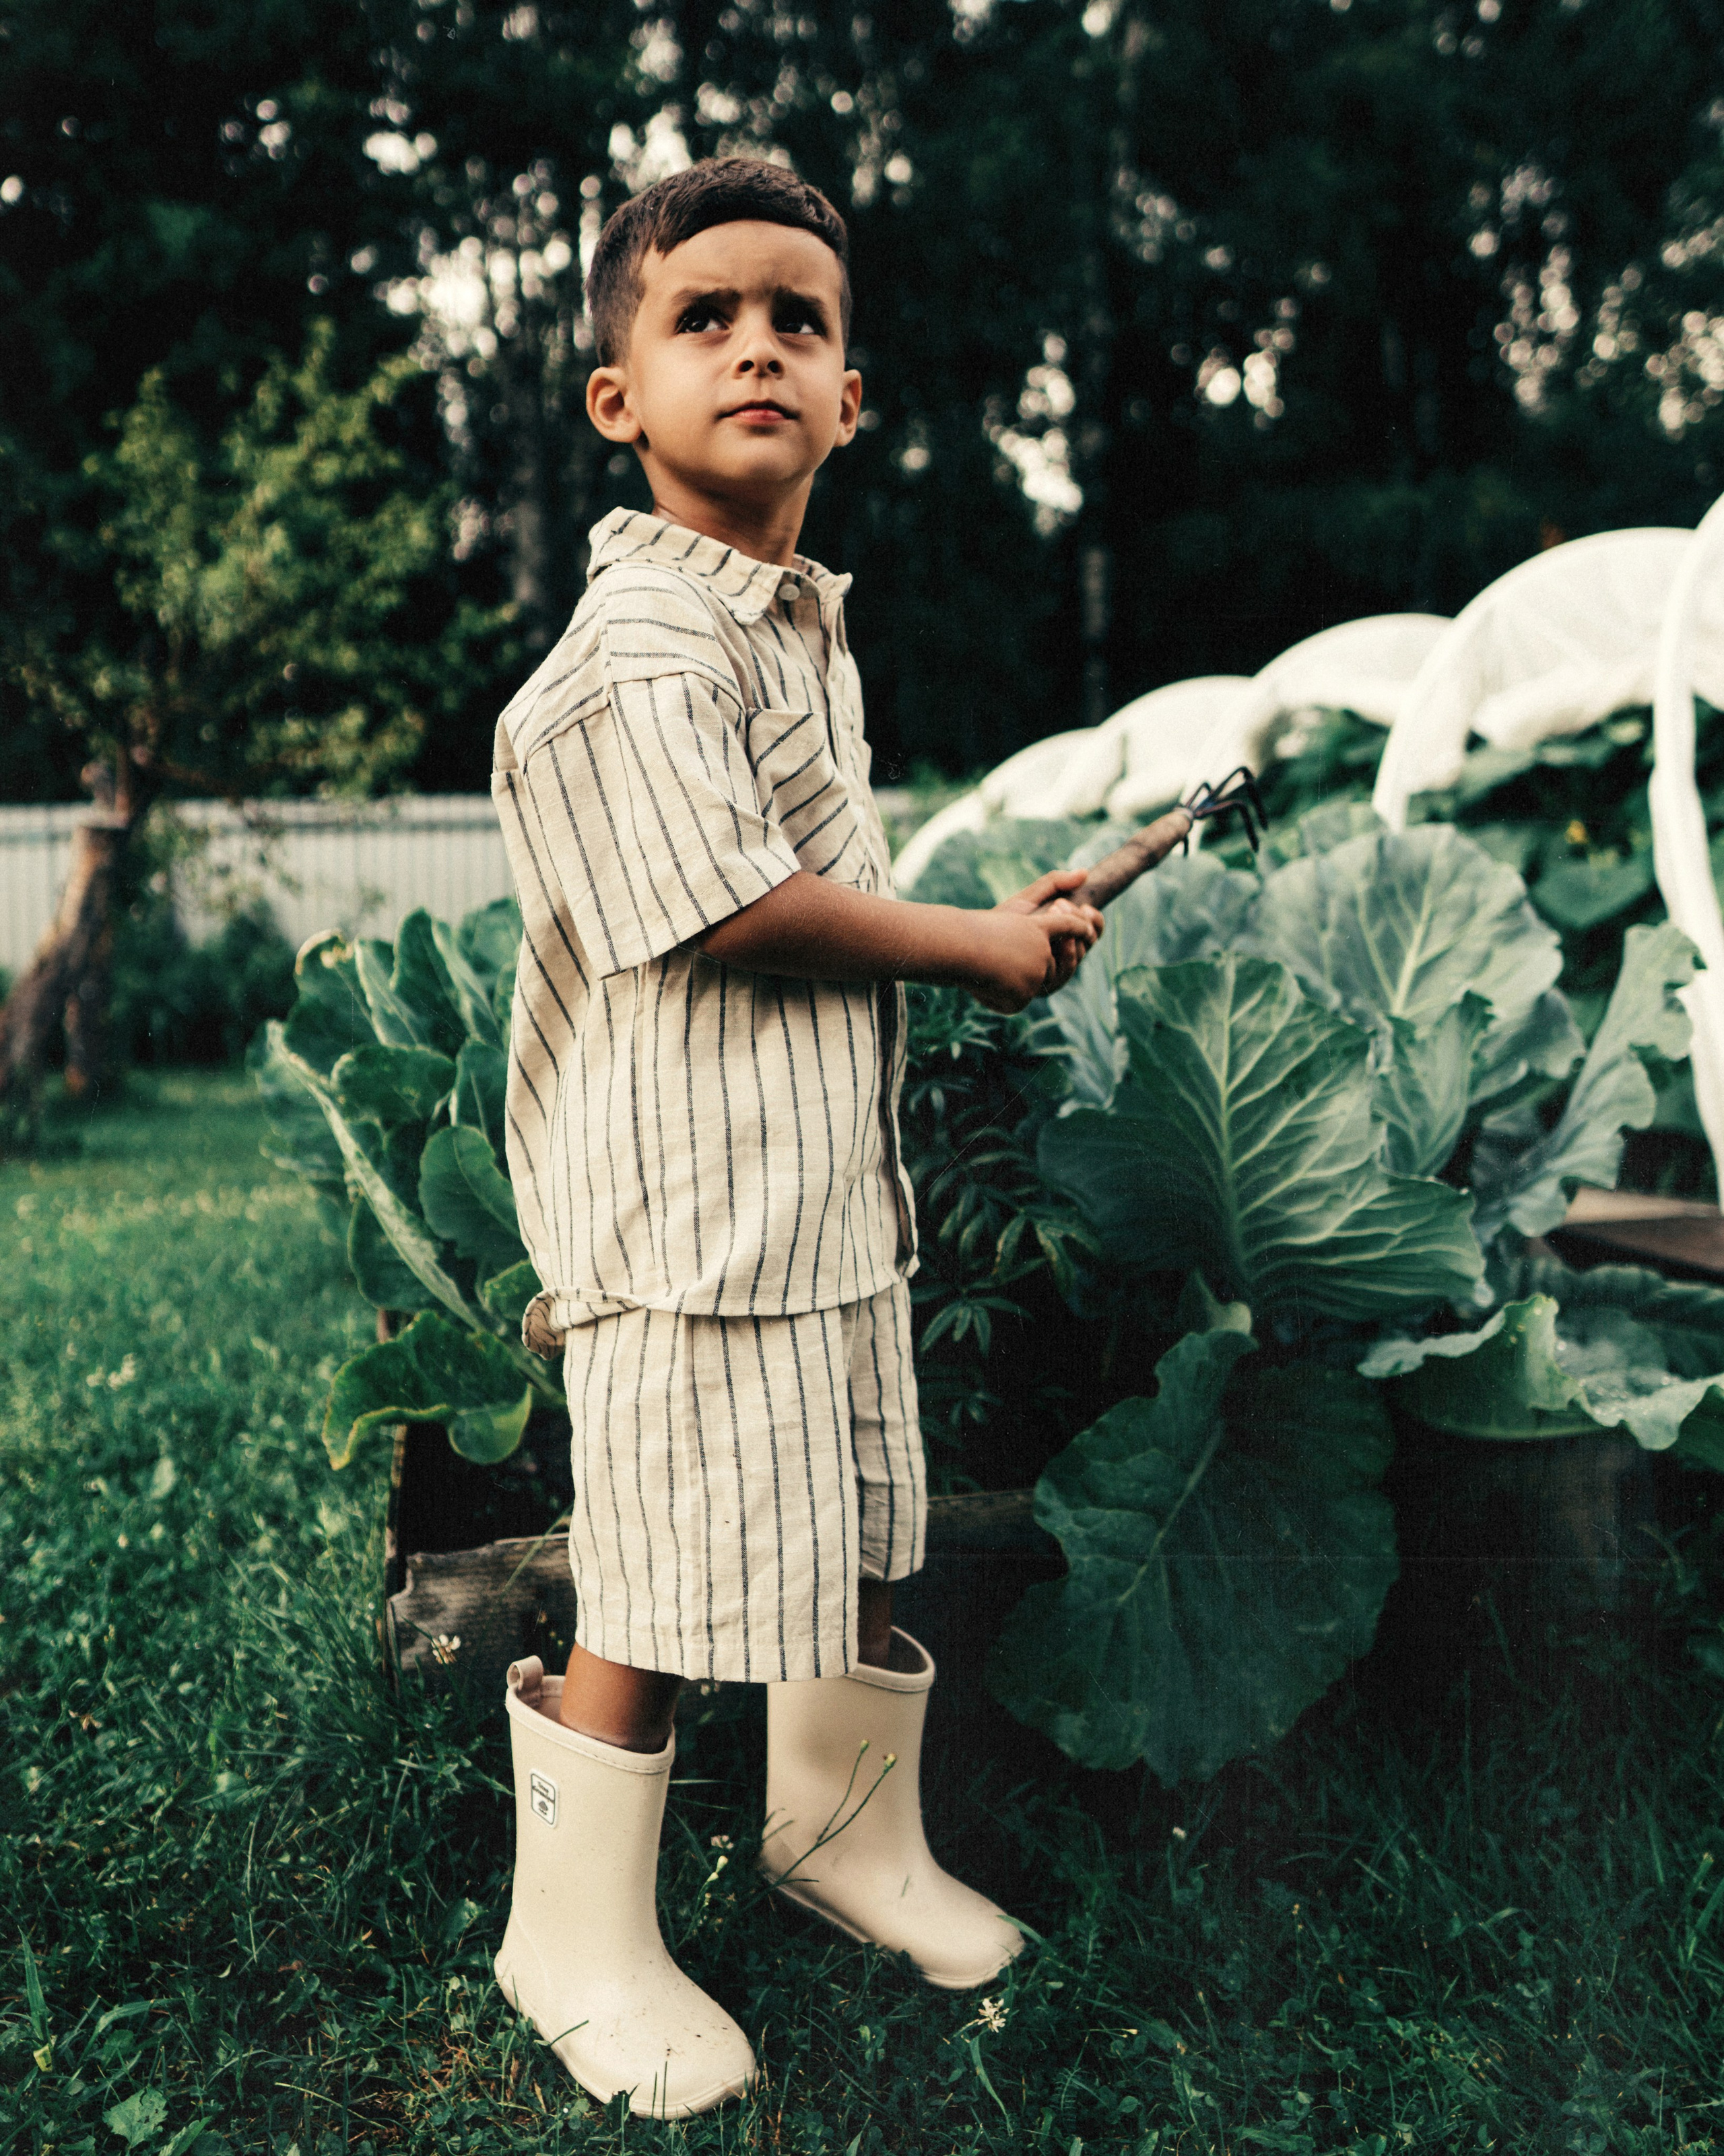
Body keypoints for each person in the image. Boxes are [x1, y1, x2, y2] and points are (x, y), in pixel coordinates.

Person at [488, 156, 1104, 2121]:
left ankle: (843, 1835)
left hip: (815, 1208)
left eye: (799, 320)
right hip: (683, 1232)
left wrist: (994, 923)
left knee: (844, 1524)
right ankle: (570, 1935)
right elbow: (730, 908)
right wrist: (973, 945)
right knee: (654, 1580)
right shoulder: (632, 656)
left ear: (851, 398)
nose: (755, 345)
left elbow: (817, 881)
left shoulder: (787, 629)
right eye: (705, 317)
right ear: (619, 399)